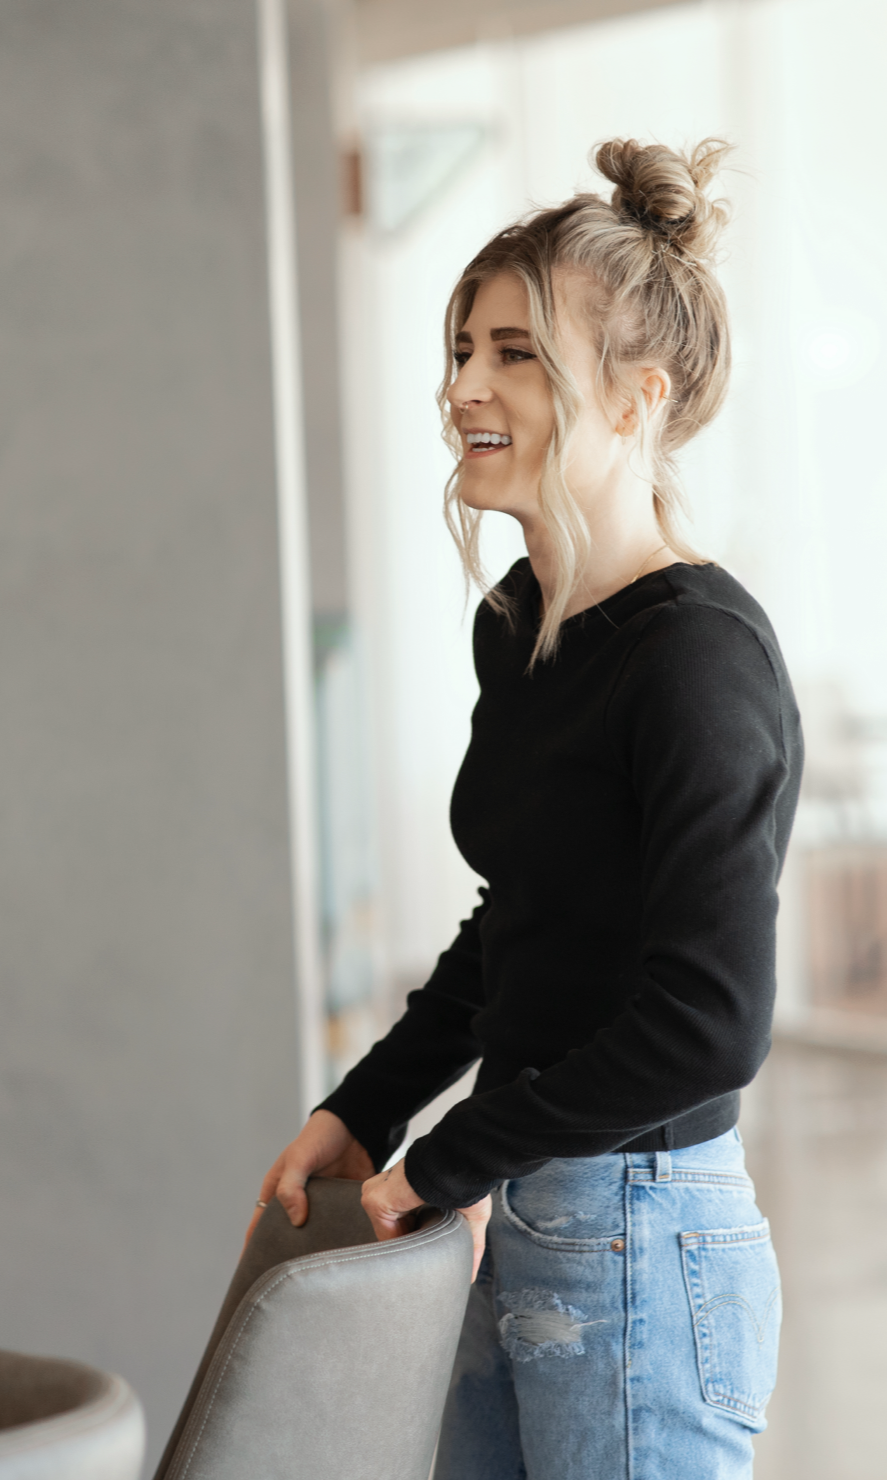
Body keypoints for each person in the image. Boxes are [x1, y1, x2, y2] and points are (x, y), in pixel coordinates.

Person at [247, 138, 803, 1479]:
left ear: (636, 397)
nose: (460, 390)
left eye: (513, 354)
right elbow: (529, 920)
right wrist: (370, 1109)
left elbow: (710, 1022)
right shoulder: (524, 626)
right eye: (458, 350)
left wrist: (456, 1156)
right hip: (541, 1204)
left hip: (641, 1232)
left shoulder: (696, 658)